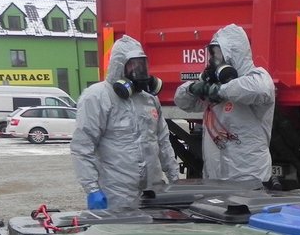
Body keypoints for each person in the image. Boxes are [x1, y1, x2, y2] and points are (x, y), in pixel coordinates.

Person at [71, 35, 180, 210]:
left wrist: (175, 179)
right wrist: (92, 189)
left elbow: (163, 141)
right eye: (133, 65)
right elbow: (82, 147)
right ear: (119, 66)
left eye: (142, 65)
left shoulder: (149, 100)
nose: (139, 71)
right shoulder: (98, 97)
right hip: (116, 194)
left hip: (153, 192)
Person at [174, 24, 275, 184]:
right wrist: (194, 88)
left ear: (233, 54)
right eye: (213, 55)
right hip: (215, 181)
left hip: (248, 181)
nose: (215, 60)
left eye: (219, 54)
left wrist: (219, 90)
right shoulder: (214, 85)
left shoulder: (257, 78)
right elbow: (181, 100)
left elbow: (259, 90)